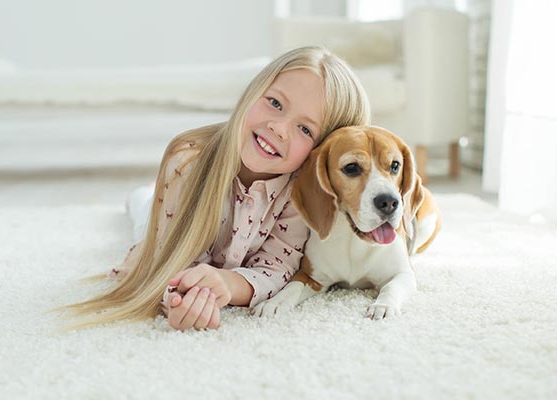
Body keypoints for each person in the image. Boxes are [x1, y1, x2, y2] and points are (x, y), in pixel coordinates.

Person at [61, 46, 370, 331]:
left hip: (228, 260)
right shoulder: (187, 160)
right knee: (143, 219)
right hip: (166, 227)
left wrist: (227, 284)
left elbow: (278, 267)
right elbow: (164, 260)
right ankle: (141, 196)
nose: (278, 127)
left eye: (305, 129)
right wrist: (180, 297)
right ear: (253, 92)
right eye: (275, 103)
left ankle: (143, 196)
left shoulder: (301, 190)